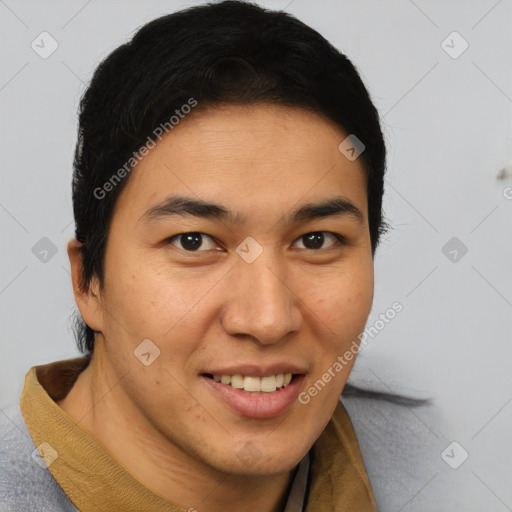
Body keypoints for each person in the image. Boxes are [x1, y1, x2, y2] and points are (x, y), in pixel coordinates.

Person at [0, 1, 441, 510]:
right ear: (88, 282)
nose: (268, 320)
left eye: (315, 240)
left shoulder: (448, 462)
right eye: (194, 242)